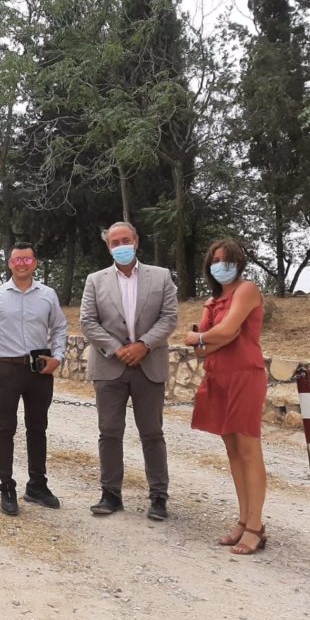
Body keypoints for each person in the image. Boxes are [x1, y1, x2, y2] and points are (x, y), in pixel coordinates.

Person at [80, 221, 178, 521]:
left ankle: (158, 496)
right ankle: (110, 494)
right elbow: (87, 321)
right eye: (114, 242)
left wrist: (144, 345)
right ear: (108, 246)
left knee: (152, 432)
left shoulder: (161, 277)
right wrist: (116, 348)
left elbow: (170, 317)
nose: (120, 246)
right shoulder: (95, 280)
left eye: (125, 240)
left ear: (136, 241)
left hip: (149, 364)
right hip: (109, 366)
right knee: (109, 432)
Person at [0, 242, 68, 516]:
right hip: (7, 370)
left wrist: (58, 357)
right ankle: (7, 486)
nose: (22, 263)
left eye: (27, 259)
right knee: (5, 429)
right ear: (9, 264)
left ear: (35, 263)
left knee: (38, 428)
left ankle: (37, 484)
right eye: (16, 259)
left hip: (39, 370)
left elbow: (59, 327)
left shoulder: (47, 295)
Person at [185, 239, 269, 555]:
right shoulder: (213, 300)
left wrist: (202, 338)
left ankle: (255, 526)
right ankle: (245, 519)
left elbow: (225, 331)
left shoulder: (246, 290)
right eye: (216, 259)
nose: (221, 264)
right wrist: (209, 339)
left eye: (227, 259)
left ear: (239, 262)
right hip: (218, 377)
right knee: (232, 450)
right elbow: (204, 342)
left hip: (245, 376)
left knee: (248, 448)